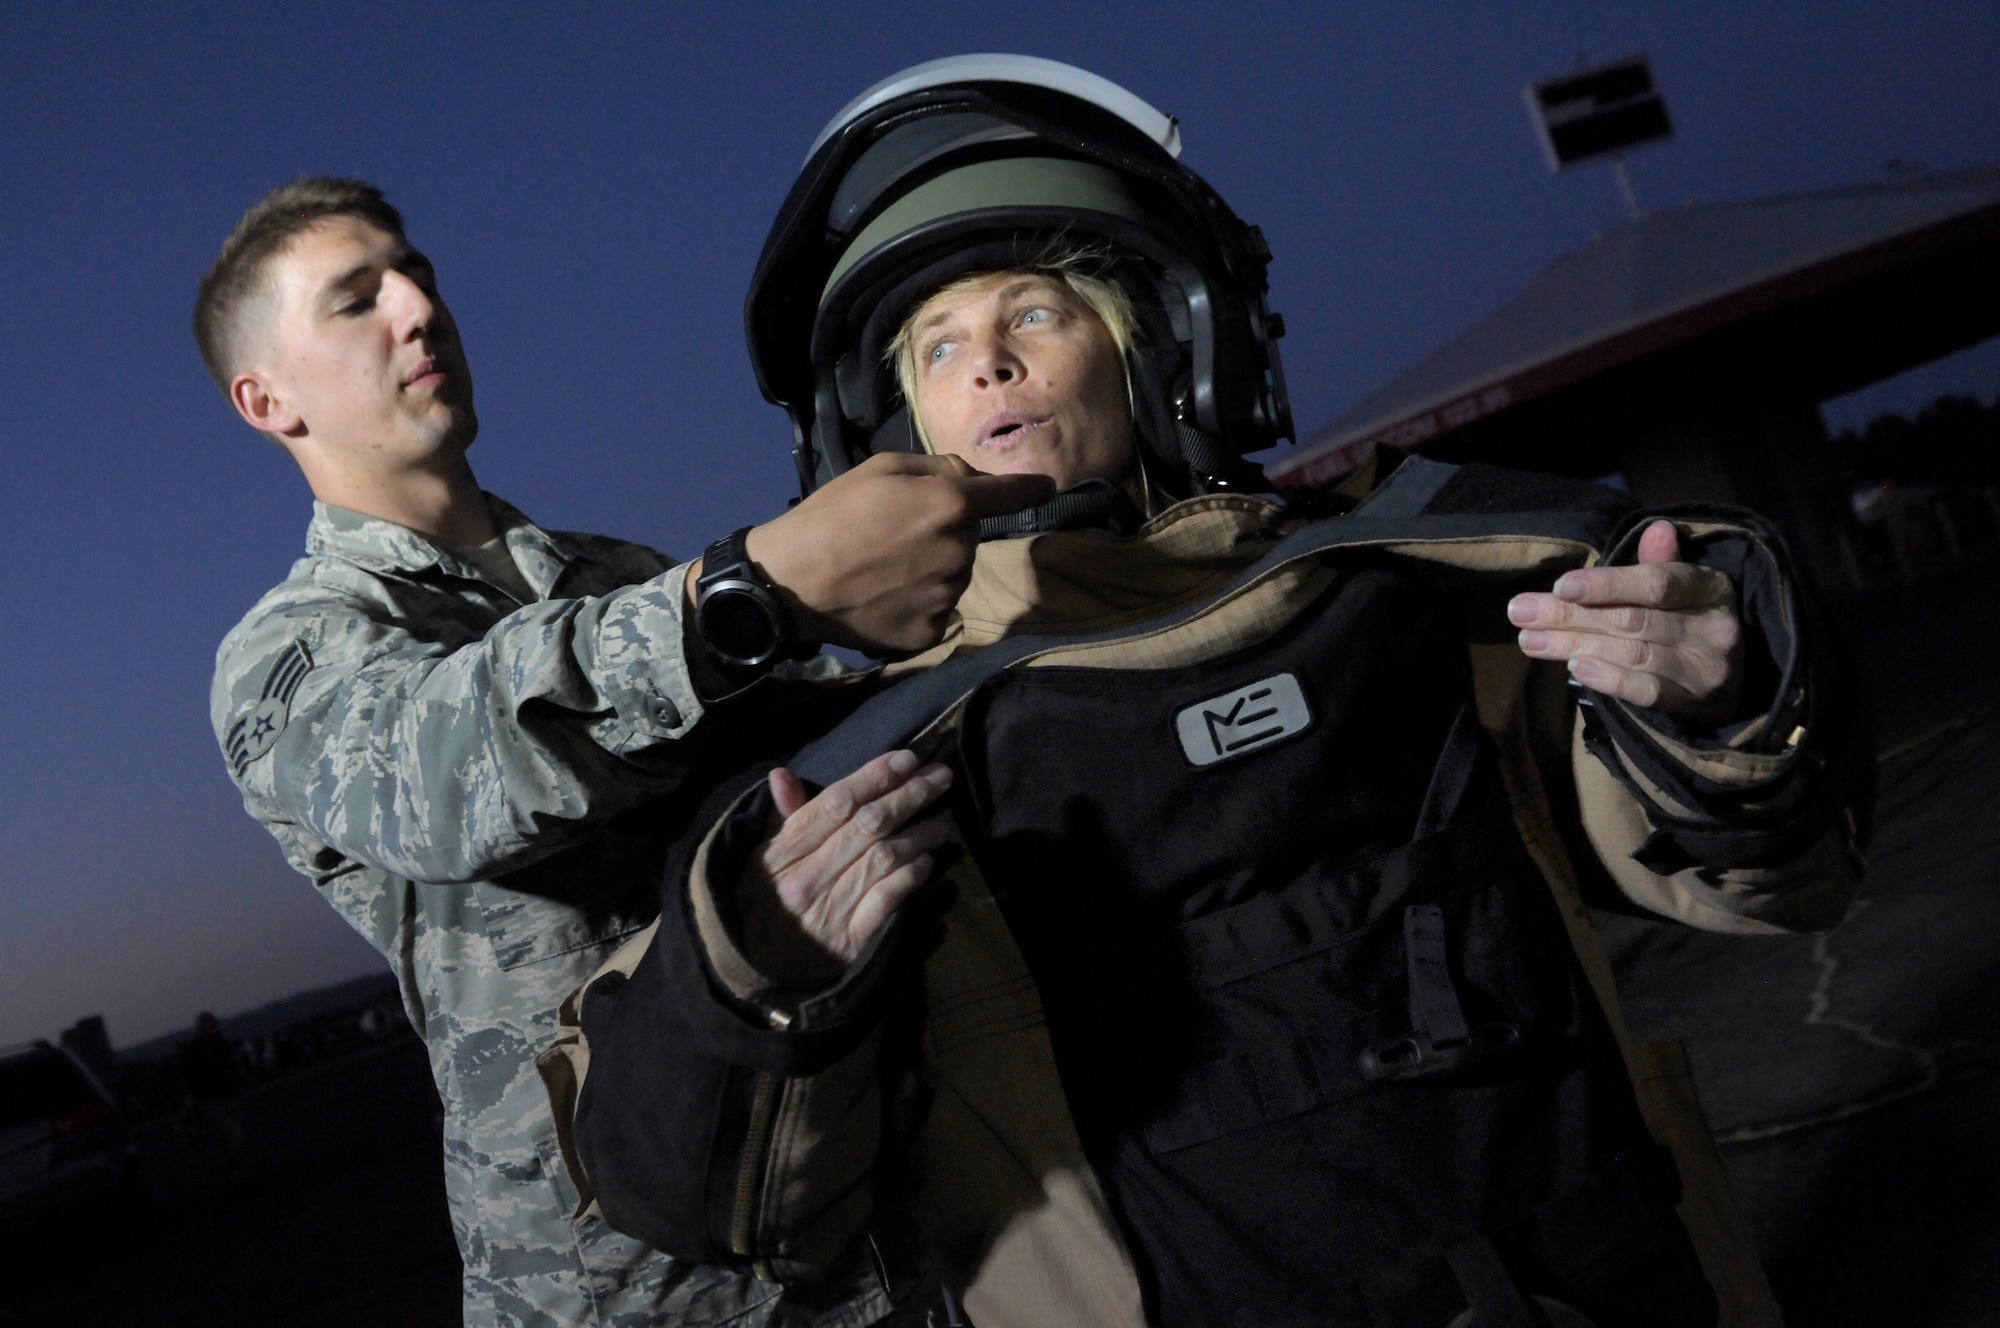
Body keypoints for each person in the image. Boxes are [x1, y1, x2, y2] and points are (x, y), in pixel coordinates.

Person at [551, 58, 1870, 1328]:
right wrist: (758, 979)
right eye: (940, 346)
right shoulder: (865, 776)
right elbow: (704, 1203)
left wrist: (1717, 701)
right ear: (896, 438)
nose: (991, 365)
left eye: (1034, 315)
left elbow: (1778, 883)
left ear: (1161, 348)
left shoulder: (1422, 586)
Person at [200, 177, 1055, 1326]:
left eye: (420, 276)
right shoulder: (288, 653)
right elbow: (438, 777)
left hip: (845, 1216)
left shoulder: (616, 574)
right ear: (267, 399)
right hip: (622, 1290)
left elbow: (840, 750)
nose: (418, 307)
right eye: (356, 300)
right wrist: (744, 598)